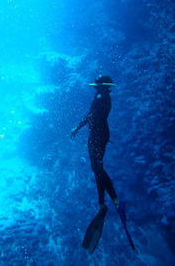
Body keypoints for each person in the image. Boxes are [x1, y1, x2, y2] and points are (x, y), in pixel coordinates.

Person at [71, 74, 120, 253]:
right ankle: (107, 199)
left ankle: (106, 200)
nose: (96, 89)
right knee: (97, 168)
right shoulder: (105, 97)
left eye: (97, 86)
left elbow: (92, 115)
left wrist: (78, 127)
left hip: (97, 136)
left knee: (97, 168)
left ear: (101, 87)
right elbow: (95, 116)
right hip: (101, 135)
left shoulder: (101, 97)